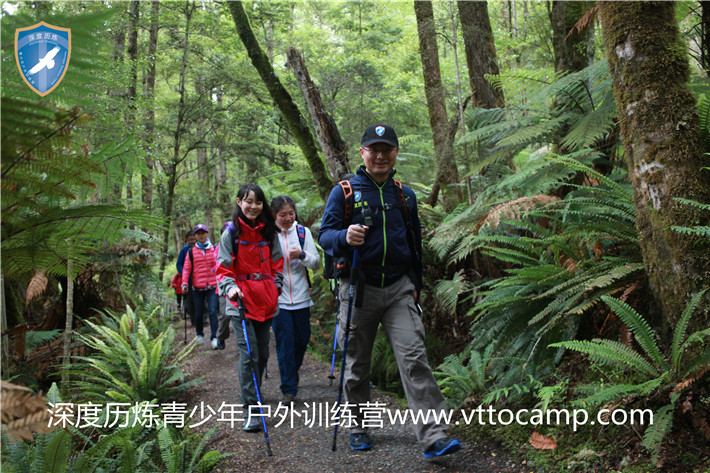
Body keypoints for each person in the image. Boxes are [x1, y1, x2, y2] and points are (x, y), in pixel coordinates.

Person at [318, 124, 460, 458]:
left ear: (395, 152)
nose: (380, 156)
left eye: (387, 149)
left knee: (415, 359)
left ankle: (435, 436)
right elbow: (325, 236)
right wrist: (343, 237)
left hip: (398, 288)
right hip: (358, 289)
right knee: (357, 366)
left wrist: (415, 286)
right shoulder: (344, 192)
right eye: (374, 149)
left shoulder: (404, 195)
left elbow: (414, 245)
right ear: (362, 152)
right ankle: (359, 426)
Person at [216, 183, 283, 432]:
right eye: (248, 201)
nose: (253, 206)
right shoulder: (231, 234)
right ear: (238, 202)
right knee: (249, 355)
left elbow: (277, 264)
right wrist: (231, 288)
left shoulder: (269, 233)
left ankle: (255, 394)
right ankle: (251, 410)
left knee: (263, 355)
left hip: (265, 301)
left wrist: (276, 287)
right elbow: (223, 269)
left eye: (258, 202)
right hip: (240, 303)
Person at [270, 195, 321, 403]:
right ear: (274, 215)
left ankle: (293, 372)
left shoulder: (303, 232)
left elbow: (316, 263)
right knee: (285, 343)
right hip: (278, 299)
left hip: (301, 297)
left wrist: (301, 255)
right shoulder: (268, 235)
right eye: (283, 215)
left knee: (301, 340)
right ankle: (289, 389)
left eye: (291, 213)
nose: (288, 218)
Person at [181, 224, 219, 347]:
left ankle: (215, 337)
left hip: (212, 286)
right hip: (197, 287)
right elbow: (186, 268)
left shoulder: (214, 248)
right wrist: (184, 283)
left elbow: (220, 265)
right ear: (196, 236)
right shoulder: (191, 251)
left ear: (207, 234)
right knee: (198, 312)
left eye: (203, 233)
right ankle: (199, 334)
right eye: (198, 233)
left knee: (213, 312)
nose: (201, 235)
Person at [176, 230, 197, 324]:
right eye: (190, 240)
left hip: (200, 278)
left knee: (202, 299)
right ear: (187, 240)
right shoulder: (184, 250)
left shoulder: (200, 248)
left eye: (193, 239)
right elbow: (179, 264)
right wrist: (184, 273)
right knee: (190, 299)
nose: (192, 241)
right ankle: (193, 319)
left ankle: (203, 318)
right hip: (188, 279)